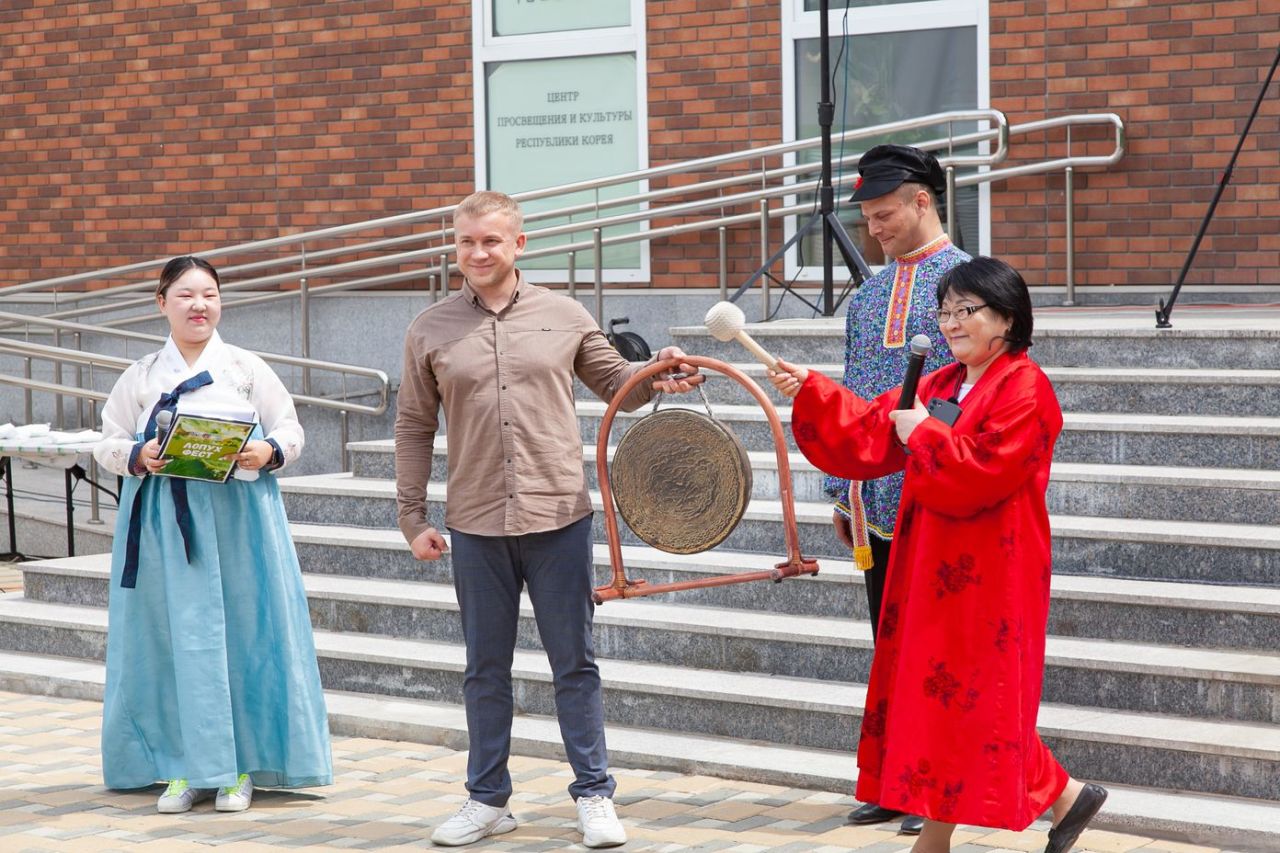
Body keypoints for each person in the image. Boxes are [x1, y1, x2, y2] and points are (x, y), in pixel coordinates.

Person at [768, 257, 1108, 853]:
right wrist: (815, 390)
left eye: (966, 310)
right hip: (929, 557)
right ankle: (1063, 797)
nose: (951, 322)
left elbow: (988, 470)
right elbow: (873, 427)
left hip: (992, 567)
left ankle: (942, 838)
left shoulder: (1027, 387)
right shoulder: (942, 381)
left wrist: (923, 432)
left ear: (1006, 318)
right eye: (946, 310)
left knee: (972, 693)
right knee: (942, 692)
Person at [394, 190, 701, 848]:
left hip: (559, 514)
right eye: (467, 242)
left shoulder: (564, 314)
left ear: (519, 245)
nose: (478, 253)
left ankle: (594, 794)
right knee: (484, 668)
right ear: (456, 246)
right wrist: (411, 513)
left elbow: (618, 382)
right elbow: (415, 425)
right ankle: (487, 798)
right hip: (475, 520)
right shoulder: (430, 328)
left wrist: (660, 372)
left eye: (491, 241)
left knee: (575, 663)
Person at [94, 256, 332, 814]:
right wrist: (137, 454)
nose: (199, 305)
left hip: (240, 520)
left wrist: (267, 451)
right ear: (161, 303)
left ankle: (239, 767)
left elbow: (291, 428)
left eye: (209, 294)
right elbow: (105, 441)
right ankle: (181, 765)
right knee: (168, 638)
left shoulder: (247, 369)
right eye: (184, 295)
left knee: (246, 634)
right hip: (162, 525)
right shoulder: (142, 374)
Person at [834, 143, 964, 834]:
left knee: (934, 648)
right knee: (887, 643)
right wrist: (840, 490)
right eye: (868, 219)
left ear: (922, 200)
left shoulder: (971, 281)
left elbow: (977, 391)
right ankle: (892, 778)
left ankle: (933, 786)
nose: (875, 229)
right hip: (874, 500)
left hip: (940, 492)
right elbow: (856, 393)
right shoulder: (868, 294)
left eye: (885, 214)